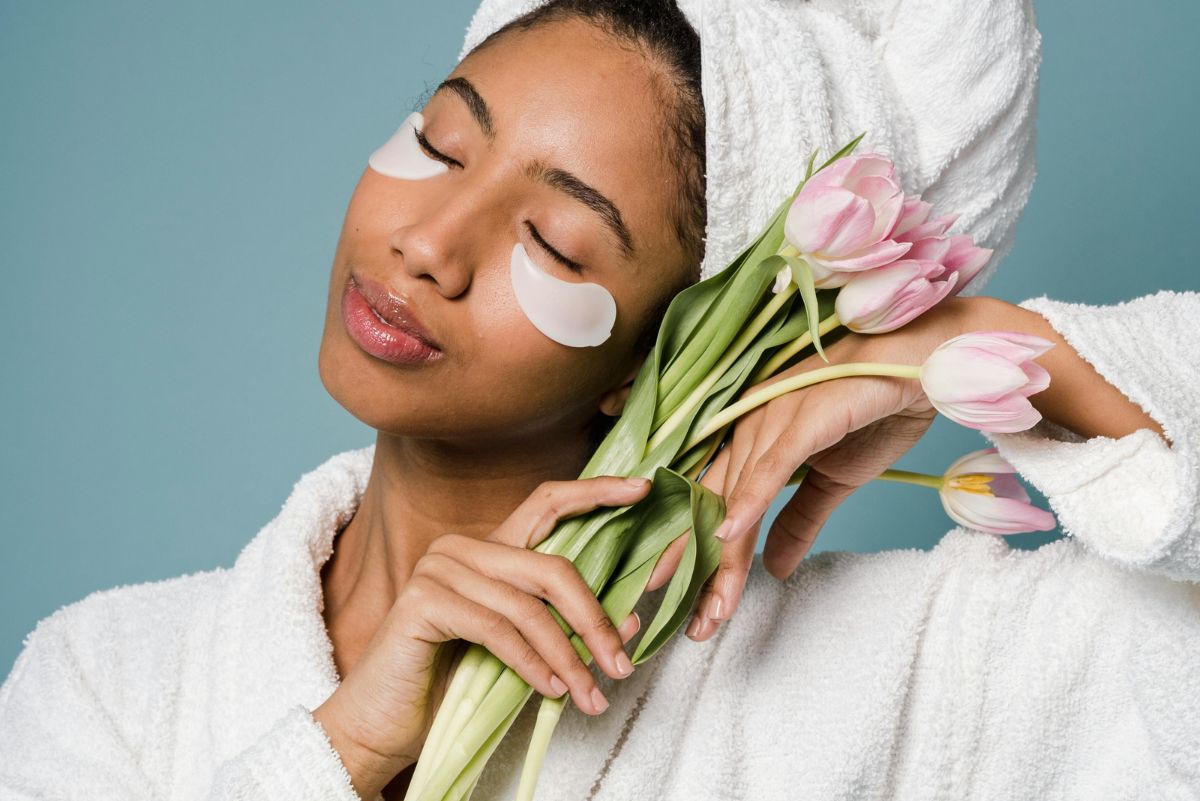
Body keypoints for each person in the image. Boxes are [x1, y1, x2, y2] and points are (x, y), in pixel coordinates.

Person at [2, 1, 1197, 800]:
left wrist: (963, 346)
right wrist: (346, 752)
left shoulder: (916, 670)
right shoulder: (110, 676)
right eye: (437, 141)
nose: (429, 241)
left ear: (672, 352)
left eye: (559, 242)